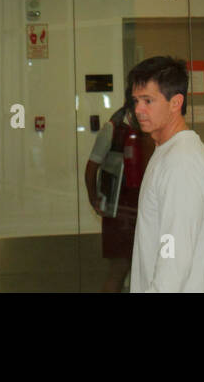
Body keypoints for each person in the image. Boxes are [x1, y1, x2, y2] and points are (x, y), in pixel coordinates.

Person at [128, 56, 204, 293]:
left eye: (148, 100)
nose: (138, 109)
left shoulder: (181, 162)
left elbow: (174, 253)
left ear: (175, 103)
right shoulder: (169, 151)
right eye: (136, 100)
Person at [84, 99, 154, 292]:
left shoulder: (152, 127)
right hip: (120, 209)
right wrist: (94, 198)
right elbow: (91, 167)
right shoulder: (113, 129)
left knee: (146, 270)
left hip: (145, 207)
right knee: (119, 268)